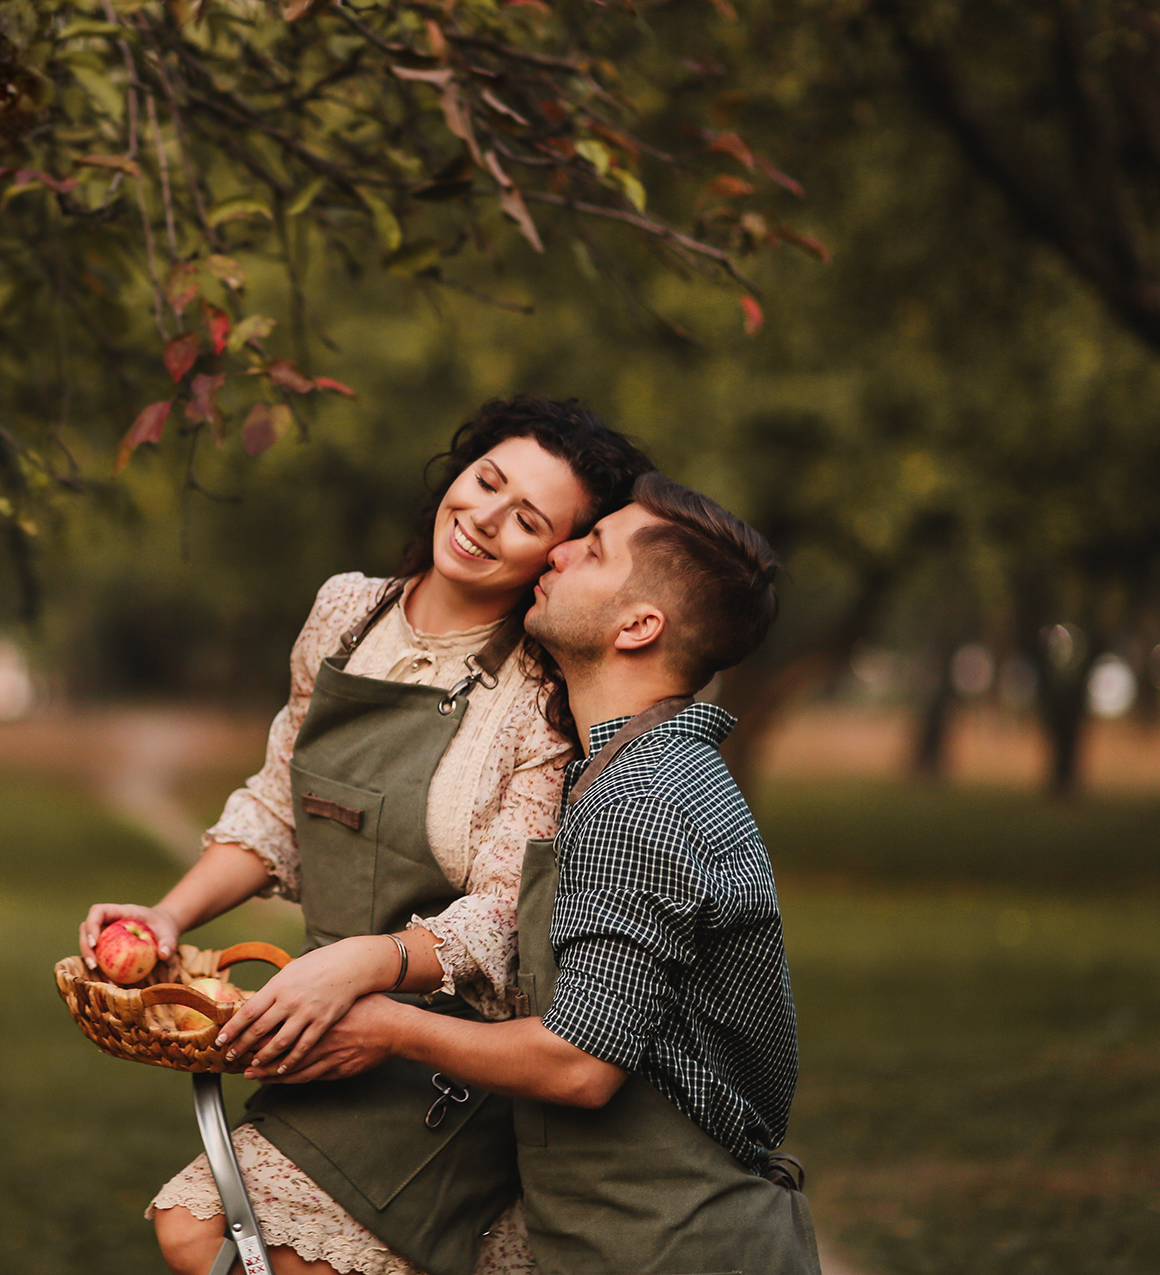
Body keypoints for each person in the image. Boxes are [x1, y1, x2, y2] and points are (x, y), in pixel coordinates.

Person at [77, 396, 654, 1275]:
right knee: (204, 1233)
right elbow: (280, 809)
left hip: (453, 1057)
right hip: (323, 1026)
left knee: (208, 1234)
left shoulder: (543, 699)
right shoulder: (345, 616)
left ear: (558, 559)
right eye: (485, 480)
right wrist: (167, 914)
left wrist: (365, 967)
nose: (485, 518)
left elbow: (507, 913)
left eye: (528, 518)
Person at [265, 473, 823, 1275]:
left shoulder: (644, 799)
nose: (556, 549)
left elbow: (582, 1061)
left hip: (681, 1249)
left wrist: (388, 1025)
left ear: (638, 625)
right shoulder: (625, 772)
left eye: (591, 550)